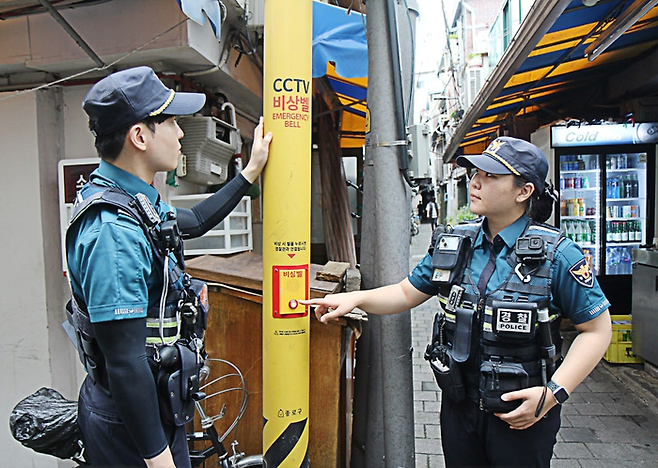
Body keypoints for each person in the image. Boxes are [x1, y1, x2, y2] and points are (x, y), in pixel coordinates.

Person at [303, 137, 612, 468]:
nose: (475, 182)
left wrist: (552, 395)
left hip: (522, 413)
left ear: (524, 191)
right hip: (458, 406)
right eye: (476, 172)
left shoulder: (559, 255)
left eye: (491, 176)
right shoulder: (454, 244)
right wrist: (353, 299)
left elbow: (596, 330)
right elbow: (408, 292)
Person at [65, 66, 272, 468]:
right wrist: (158, 459)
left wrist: (248, 174)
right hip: (132, 430)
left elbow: (191, 223)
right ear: (139, 136)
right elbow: (125, 363)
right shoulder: (114, 233)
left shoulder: (133, 198)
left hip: (154, 410)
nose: (180, 133)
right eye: (172, 122)